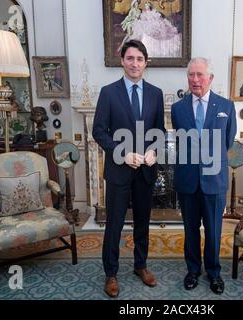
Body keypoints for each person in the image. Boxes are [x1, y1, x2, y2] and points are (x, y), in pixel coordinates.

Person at [92, 39, 165, 298]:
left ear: (146, 63)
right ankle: (111, 273)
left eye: (140, 59)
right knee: (114, 223)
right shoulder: (108, 92)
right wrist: (122, 153)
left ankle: (140, 266)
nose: (135, 63)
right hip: (119, 171)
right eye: (130, 58)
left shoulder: (156, 93)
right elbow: (98, 131)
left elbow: (160, 132)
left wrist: (154, 151)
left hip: (145, 171)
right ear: (122, 60)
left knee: (143, 222)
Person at [171, 57, 237, 294]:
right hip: (187, 179)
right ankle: (192, 270)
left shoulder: (226, 106)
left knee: (213, 230)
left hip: (214, 179)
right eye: (191, 75)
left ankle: (214, 272)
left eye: (200, 75)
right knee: (190, 230)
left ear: (210, 78)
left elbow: (227, 141)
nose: (195, 80)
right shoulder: (177, 108)